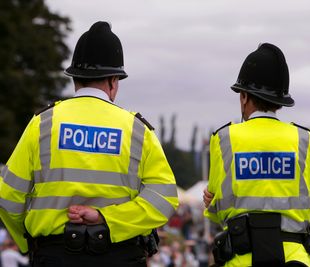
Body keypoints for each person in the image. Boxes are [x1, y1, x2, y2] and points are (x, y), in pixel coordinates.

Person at [0, 21, 178, 267]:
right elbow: (164, 199)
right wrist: (108, 220)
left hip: (53, 256)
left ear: (75, 78)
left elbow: (8, 196)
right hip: (120, 257)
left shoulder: (42, 123)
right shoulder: (137, 130)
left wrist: (29, 241)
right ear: (114, 81)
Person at [203, 43, 310, 267]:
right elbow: (307, 195)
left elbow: (217, 210)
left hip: (242, 259)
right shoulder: (305, 139)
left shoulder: (224, 139)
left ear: (244, 97)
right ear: (279, 102)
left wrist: (210, 202)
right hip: (294, 259)